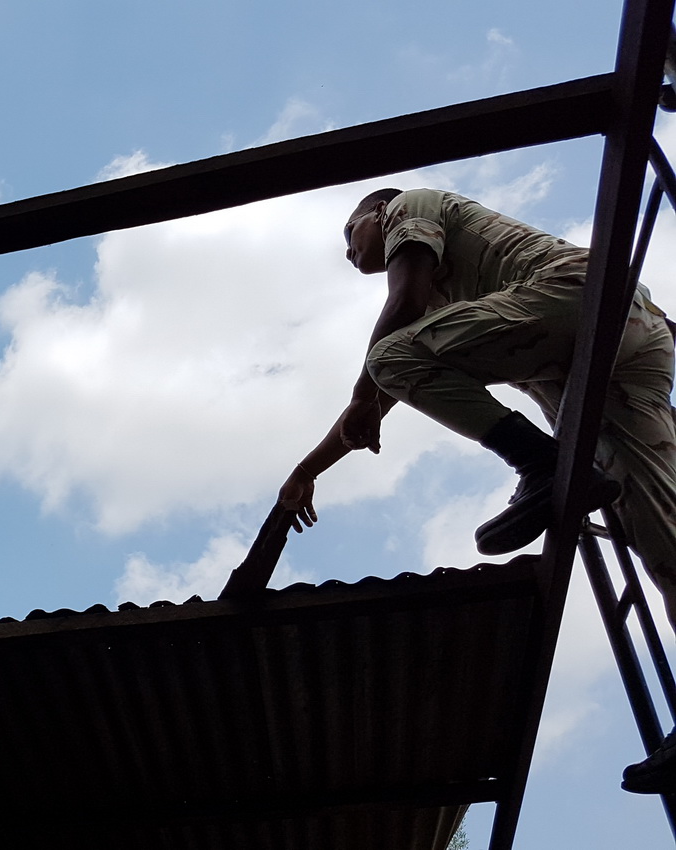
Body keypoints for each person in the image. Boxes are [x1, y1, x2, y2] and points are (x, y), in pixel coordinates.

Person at [275, 187, 676, 794]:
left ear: (373, 215)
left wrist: (368, 384)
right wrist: (310, 468)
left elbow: (395, 338)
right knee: (662, 539)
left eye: (348, 234)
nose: (348, 252)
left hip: (578, 300)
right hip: (633, 336)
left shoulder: (410, 206)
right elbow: (380, 398)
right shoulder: (449, 297)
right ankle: (551, 467)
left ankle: (541, 465)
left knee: (391, 356)